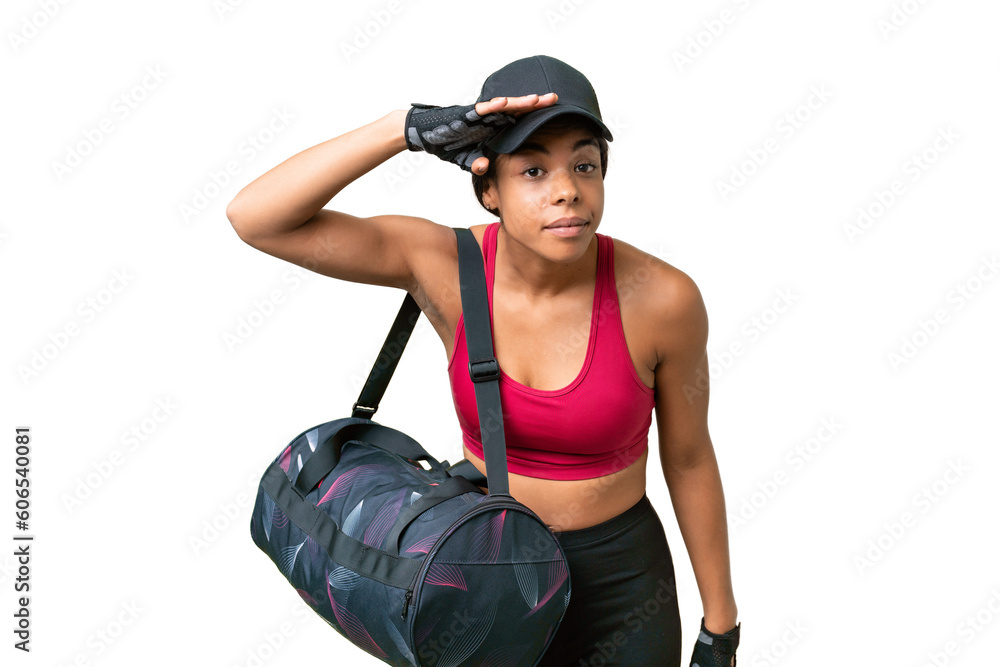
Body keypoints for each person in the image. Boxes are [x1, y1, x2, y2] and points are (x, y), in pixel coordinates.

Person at [227, 54, 740, 667]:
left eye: (584, 164)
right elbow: (258, 219)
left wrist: (721, 624)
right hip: (482, 576)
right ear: (486, 187)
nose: (566, 190)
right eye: (532, 170)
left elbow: (688, 458)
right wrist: (403, 128)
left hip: (623, 584)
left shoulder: (663, 298)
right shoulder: (442, 264)